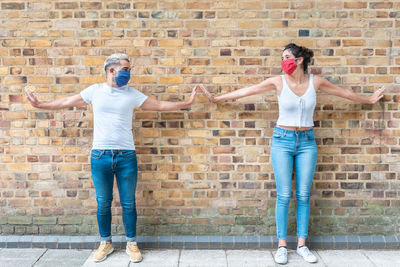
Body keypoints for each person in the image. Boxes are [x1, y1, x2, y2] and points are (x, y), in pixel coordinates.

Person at [200, 43, 384, 264]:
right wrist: (217, 99)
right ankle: (281, 246)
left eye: (286, 57)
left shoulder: (316, 82)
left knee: (304, 195)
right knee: (284, 195)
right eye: (281, 57)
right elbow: (246, 91)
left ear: (299, 60)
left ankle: (302, 245)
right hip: (282, 141)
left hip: (307, 142)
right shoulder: (278, 81)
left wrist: (370, 99)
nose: (283, 61)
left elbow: (344, 93)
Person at [26, 53, 198, 263]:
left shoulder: (132, 94)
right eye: (125, 69)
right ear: (112, 70)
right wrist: (40, 104)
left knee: (128, 203)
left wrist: (187, 102)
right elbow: (67, 101)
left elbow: (160, 105)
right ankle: (105, 242)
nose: (128, 73)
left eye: (129, 69)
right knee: (103, 203)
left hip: (126, 156)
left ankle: (131, 243)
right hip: (100, 156)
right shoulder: (95, 91)